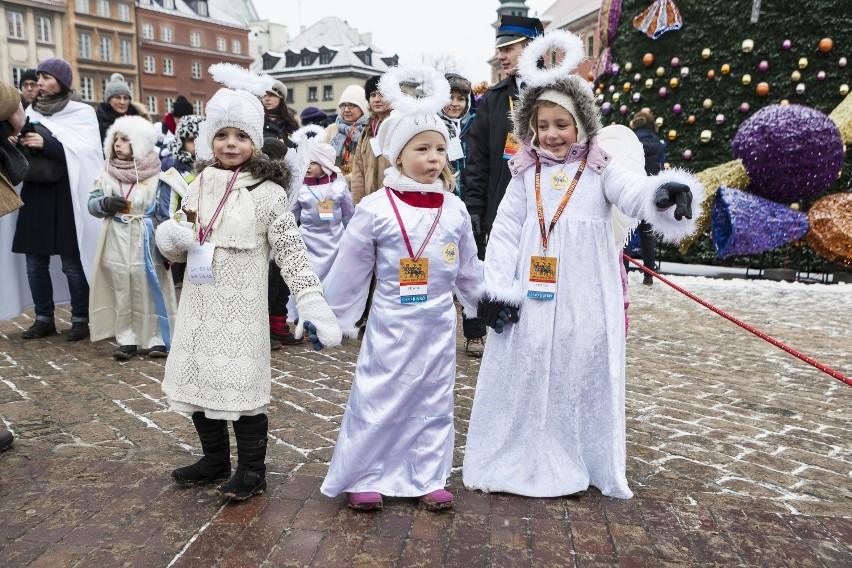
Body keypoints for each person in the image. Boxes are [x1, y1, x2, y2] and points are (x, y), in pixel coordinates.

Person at [462, 31, 702, 500]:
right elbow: (507, 231)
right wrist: (495, 290)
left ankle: (577, 452)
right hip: (531, 292)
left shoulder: (600, 167)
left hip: (584, 290)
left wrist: (662, 194)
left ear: (582, 124)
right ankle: (524, 449)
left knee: (578, 365)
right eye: (543, 124)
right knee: (528, 364)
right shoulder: (524, 172)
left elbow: (633, 190)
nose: (552, 134)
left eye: (562, 124)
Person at [155, 70, 341, 501]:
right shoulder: (200, 181)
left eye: (241, 135)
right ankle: (215, 459)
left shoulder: (268, 192)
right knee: (200, 381)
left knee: (242, 388)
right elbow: (181, 230)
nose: (231, 143)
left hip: (242, 307)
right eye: (223, 135)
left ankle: (252, 470)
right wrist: (173, 237)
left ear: (255, 141)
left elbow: (292, 252)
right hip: (200, 302)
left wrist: (313, 305)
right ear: (210, 140)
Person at [320, 67, 483, 512]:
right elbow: (350, 270)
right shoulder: (375, 209)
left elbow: (467, 267)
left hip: (436, 324)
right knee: (381, 393)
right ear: (397, 155)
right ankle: (365, 471)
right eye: (422, 149)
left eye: (440, 149)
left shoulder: (454, 209)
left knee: (433, 398)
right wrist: (330, 316)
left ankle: (426, 474)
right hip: (391, 321)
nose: (434, 158)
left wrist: (480, 304)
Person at [13, 58, 103, 341]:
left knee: (71, 262)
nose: (40, 82)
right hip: (36, 194)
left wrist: (47, 143)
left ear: (62, 81)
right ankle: (43, 318)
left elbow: (88, 155)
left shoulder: (82, 113)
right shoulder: (30, 112)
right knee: (35, 262)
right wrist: (18, 144)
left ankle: (80, 319)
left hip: (67, 195)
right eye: (38, 76)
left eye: (47, 77)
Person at [87, 116, 178, 359]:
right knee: (122, 287)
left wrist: (168, 245)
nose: (118, 144)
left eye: (125, 139)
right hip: (116, 236)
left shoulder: (156, 174)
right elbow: (91, 204)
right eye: (115, 139)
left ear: (139, 142)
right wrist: (104, 203)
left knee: (150, 285)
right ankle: (127, 339)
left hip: (145, 236)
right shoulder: (106, 173)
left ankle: (157, 338)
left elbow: (165, 210)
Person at [465, 15, 543, 259]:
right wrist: (475, 208)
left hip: (548, 211)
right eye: (499, 49)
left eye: (508, 49)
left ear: (531, 47)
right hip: (502, 211)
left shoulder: (559, 91)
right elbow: (478, 158)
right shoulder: (493, 98)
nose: (500, 56)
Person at [440, 72, 485, 357]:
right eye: (450, 97)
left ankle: (475, 332)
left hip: (472, 205)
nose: (455, 104)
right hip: (441, 205)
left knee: (471, 269)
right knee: (441, 267)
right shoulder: (431, 124)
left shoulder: (477, 122)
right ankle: (437, 332)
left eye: (460, 98)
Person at [291, 142, 354, 280]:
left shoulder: (339, 188)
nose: (308, 166)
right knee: (309, 276)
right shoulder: (300, 189)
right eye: (306, 161)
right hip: (307, 242)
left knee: (332, 279)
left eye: (313, 162)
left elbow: (349, 218)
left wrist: (352, 242)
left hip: (335, 241)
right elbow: (291, 218)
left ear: (324, 164)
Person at [262, 137, 299, 349]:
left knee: (281, 286)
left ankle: (278, 325)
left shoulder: (285, 181)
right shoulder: (264, 180)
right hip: (265, 242)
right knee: (269, 288)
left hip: (281, 238)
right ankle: (265, 331)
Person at [626, 109, 666, 285]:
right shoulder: (659, 143)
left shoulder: (630, 141)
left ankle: (623, 273)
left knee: (625, 232)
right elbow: (661, 167)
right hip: (649, 189)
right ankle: (648, 274)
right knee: (647, 233)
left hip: (631, 188)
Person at [349, 75, 391, 205]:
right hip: (369, 201)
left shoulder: (398, 125)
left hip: (393, 200)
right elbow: (358, 170)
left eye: (382, 95)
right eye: (373, 95)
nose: (377, 100)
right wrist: (358, 203)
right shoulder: (366, 130)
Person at [323, 85, 369, 176]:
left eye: (351, 105)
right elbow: (320, 159)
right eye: (343, 105)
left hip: (358, 183)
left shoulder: (368, 130)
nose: (346, 110)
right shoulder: (331, 129)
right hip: (332, 183)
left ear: (362, 108)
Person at [96, 73, 141, 144]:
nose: (122, 102)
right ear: (108, 100)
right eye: (117, 97)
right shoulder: (97, 121)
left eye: (126, 98)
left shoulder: (138, 121)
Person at [261, 80, 299, 145]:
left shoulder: (291, 123)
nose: (267, 98)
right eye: (264, 95)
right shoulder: (257, 121)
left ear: (281, 98)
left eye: (272, 95)